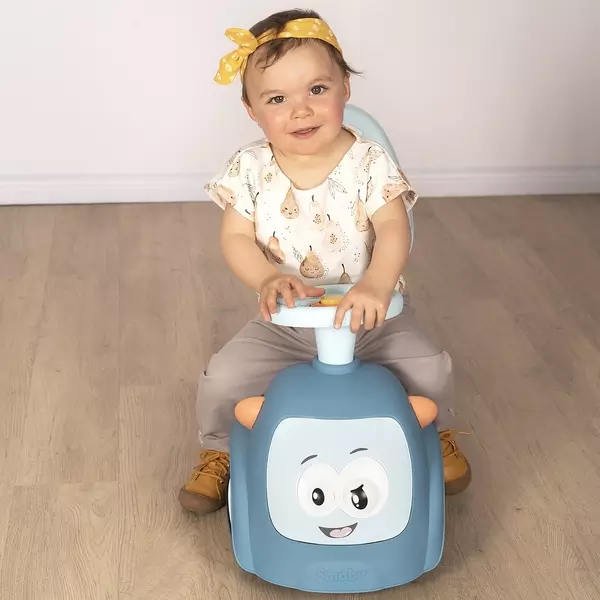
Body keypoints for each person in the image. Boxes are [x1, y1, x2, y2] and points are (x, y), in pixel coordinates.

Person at [179, 8, 471, 515]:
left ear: (345, 89)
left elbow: (394, 226)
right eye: (277, 99)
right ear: (251, 110)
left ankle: (435, 432)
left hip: (372, 318)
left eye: (317, 89)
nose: (301, 110)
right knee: (224, 376)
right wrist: (267, 277)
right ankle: (219, 451)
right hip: (286, 322)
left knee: (428, 367)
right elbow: (235, 237)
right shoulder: (249, 168)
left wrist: (378, 283)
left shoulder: (368, 162)